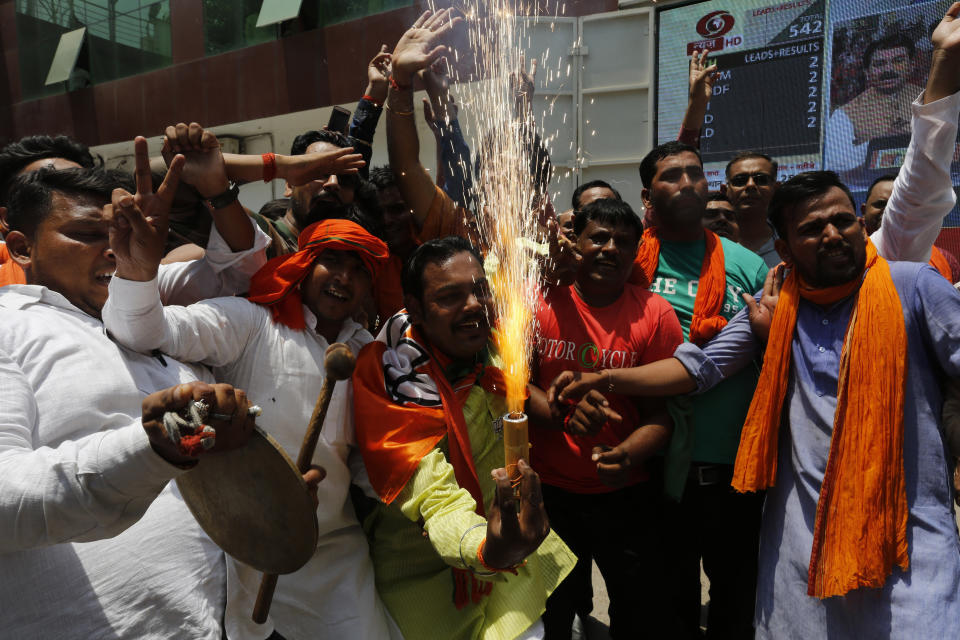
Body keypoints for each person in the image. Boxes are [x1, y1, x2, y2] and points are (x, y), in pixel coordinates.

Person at [554, 169, 960, 638]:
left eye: (843, 221)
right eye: (811, 229)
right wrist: (605, 378)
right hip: (803, 539)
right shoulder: (774, 309)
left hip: (909, 539)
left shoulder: (912, 287)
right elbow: (697, 370)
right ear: (784, 249)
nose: (832, 235)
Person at [0, 143, 269, 637]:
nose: (110, 248)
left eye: (121, 233)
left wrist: (271, 492)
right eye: (84, 234)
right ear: (21, 247)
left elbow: (244, 273)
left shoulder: (160, 328)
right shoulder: (8, 328)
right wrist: (152, 447)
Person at [102, 218, 399, 640]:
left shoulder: (369, 354)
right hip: (243, 545)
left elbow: (365, 461)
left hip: (331, 546)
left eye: (359, 272)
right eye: (330, 261)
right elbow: (145, 331)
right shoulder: (250, 322)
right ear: (302, 265)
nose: (343, 278)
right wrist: (136, 270)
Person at [352, 235, 575, 640]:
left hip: (506, 554)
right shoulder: (389, 379)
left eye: (480, 291)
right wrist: (485, 548)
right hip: (420, 575)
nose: (473, 305)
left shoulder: (489, 347)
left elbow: (518, 392)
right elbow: (430, 494)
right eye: (450, 297)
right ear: (416, 309)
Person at [525, 198, 682, 639]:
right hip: (550, 495)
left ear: (636, 253)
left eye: (623, 242)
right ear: (576, 243)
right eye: (599, 237)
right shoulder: (540, 302)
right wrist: (558, 413)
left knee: (636, 613)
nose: (610, 248)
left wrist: (626, 454)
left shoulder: (655, 313)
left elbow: (661, 416)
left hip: (627, 497)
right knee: (553, 614)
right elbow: (511, 387)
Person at [632, 139, 769, 639]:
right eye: (672, 175)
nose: (688, 182)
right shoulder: (630, 264)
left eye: (695, 172)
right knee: (669, 605)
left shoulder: (747, 267)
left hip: (731, 472)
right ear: (648, 194)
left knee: (736, 600)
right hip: (656, 467)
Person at [826, 34, 925, 173]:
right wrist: (880, 143)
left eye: (898, 61)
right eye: (879, 64)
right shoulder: (844, 113)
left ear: (911, 66)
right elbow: (835, 163)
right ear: (867, 72)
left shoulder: (933, 100)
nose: (889, 70)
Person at [861, 172, 959, 282]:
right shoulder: (848, 260)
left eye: (899, 205)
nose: (890, 211)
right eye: (881, 204)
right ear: (864, 211)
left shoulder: (945, 259)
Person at [721, 152, 779, 265]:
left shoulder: (793, 244)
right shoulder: (708, 246)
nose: (751, 185)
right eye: (740, 181)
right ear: (725, 191)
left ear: (776, 188)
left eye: (761, 180)